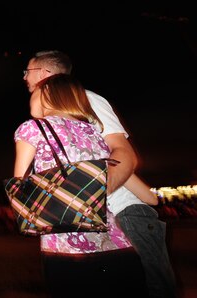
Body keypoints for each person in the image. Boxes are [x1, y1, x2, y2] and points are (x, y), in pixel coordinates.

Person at [23, 50, 177, 298]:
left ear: (43, 74)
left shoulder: (85, 99)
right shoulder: (51, 124)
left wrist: (89, 199)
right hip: (98, 221)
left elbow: (124, 153)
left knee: (153, 289)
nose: (24, 78)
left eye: (27, 72)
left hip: (123, 215)